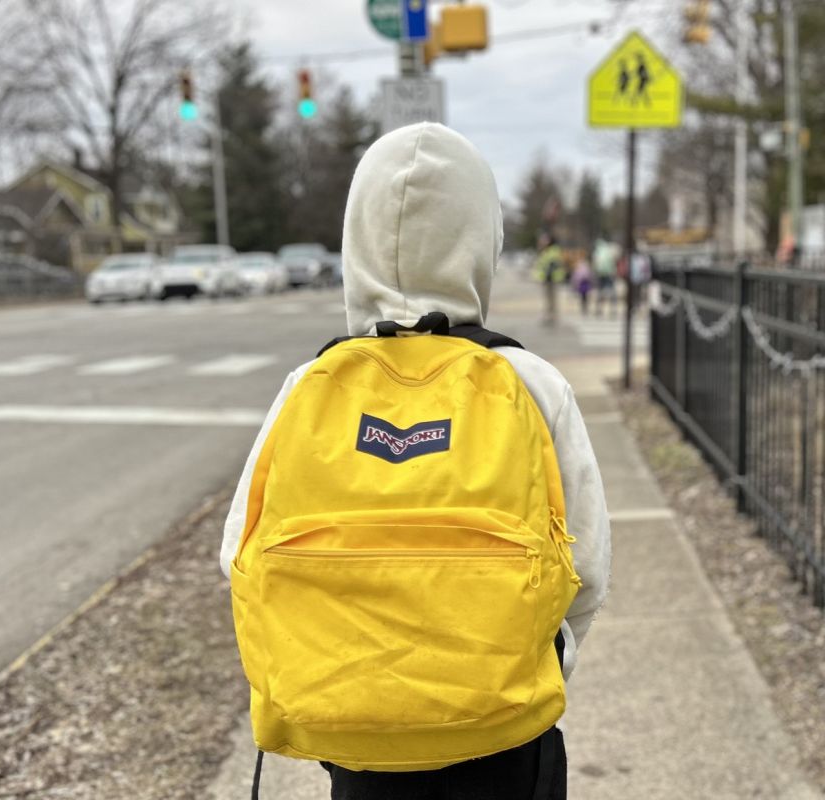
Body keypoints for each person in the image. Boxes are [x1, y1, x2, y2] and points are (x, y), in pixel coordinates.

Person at [221, 123, 611, 800]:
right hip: (504, 732)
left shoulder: (308, 386)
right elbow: (590, 568)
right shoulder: (528, 381)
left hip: (350, 730)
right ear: (481, 240)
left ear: (354, 242)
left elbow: (238, 555)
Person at [533, 234, 566, 326]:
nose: (543, 242)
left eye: (545, 240)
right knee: (549, 298)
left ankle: (552, 315)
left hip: (552, 278)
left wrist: (547, 274)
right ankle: (550, 314)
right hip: (548, 278)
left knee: (552, 298)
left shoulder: (552, 251)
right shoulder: (547, 251)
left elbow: (553, 264)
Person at [591, 236, 618, 318]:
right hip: (609, 274)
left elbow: (595, 263)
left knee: (600, 292)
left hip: (600, 274)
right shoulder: (609, 250)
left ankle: (599, 310)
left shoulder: (597, 251)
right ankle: (613, 310)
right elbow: (613, 262)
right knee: (612, 292)